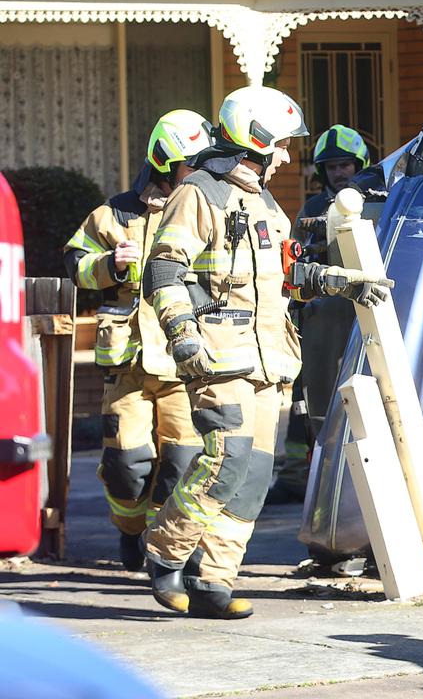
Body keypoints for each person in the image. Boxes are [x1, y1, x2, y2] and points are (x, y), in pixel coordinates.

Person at [140, 85, 393, 619]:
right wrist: (182, 335)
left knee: (256, 473)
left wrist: (340, 280)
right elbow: (163, 269)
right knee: (224, 461)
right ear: (255, 138)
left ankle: (214, 580)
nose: (285, 156)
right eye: (280, 146)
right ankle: (165, 551)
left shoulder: (263, 202)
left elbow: (284, 278)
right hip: (217, 355)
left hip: (269, 361)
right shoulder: (200, 193)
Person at [62, 110, 213, 571]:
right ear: (165, 163)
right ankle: (129, 529)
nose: (201, 173)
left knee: (182, 464)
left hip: (183, 361)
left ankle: (159, 545)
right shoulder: (115, 212)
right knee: (128, 467)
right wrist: (109, 263)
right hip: (127, 364)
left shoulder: (207, 207)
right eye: (192, 164)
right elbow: (74, 264)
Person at [266, 125, 372, 505]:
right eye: (333, 167)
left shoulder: (379, 202)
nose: (341, 173)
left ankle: (352, 476)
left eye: (346, 165)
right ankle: (298, 476)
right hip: (323, 316)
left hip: (366, 312)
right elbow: (294, 263)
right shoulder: (312, 210)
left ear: (360, 165)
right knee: (307, 397)